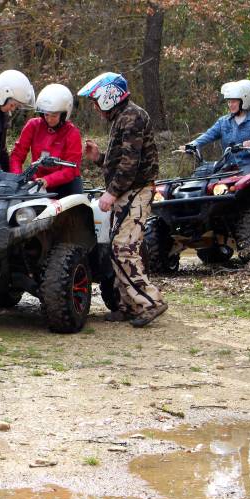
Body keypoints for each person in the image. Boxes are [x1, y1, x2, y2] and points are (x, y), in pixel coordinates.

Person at [78, 72, 167, 328]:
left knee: (123, 248)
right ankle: (128, 305)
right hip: (129, 191)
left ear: (109, 97)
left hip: (136, 191)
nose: (95, 107)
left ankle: (150, 302)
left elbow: (130, 164)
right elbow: (122, 159)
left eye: (96, 101)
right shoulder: (123, 117)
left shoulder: (132, 117)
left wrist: (112, 192)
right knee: (119, 249)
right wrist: (99, 157)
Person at [9, 83, 83, 198]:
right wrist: (18, 178)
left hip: (66, 184)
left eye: (54, 115)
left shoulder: (72, 133)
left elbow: (70, 169)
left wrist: (48, 180)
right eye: (46, 114)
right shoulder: (33, 125)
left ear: (64, 114)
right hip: (37, 182)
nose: (49, 119)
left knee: (72, 211)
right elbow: (17, 156)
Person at [180, 81, 250, 174]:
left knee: (247, 182)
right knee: (203, 179)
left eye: (233, 101)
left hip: (248, 164)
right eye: (229, 102)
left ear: (244, 101)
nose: (230, 105)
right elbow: (208, 135)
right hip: (227, 165)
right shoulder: (223, 121)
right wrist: (192, 145)